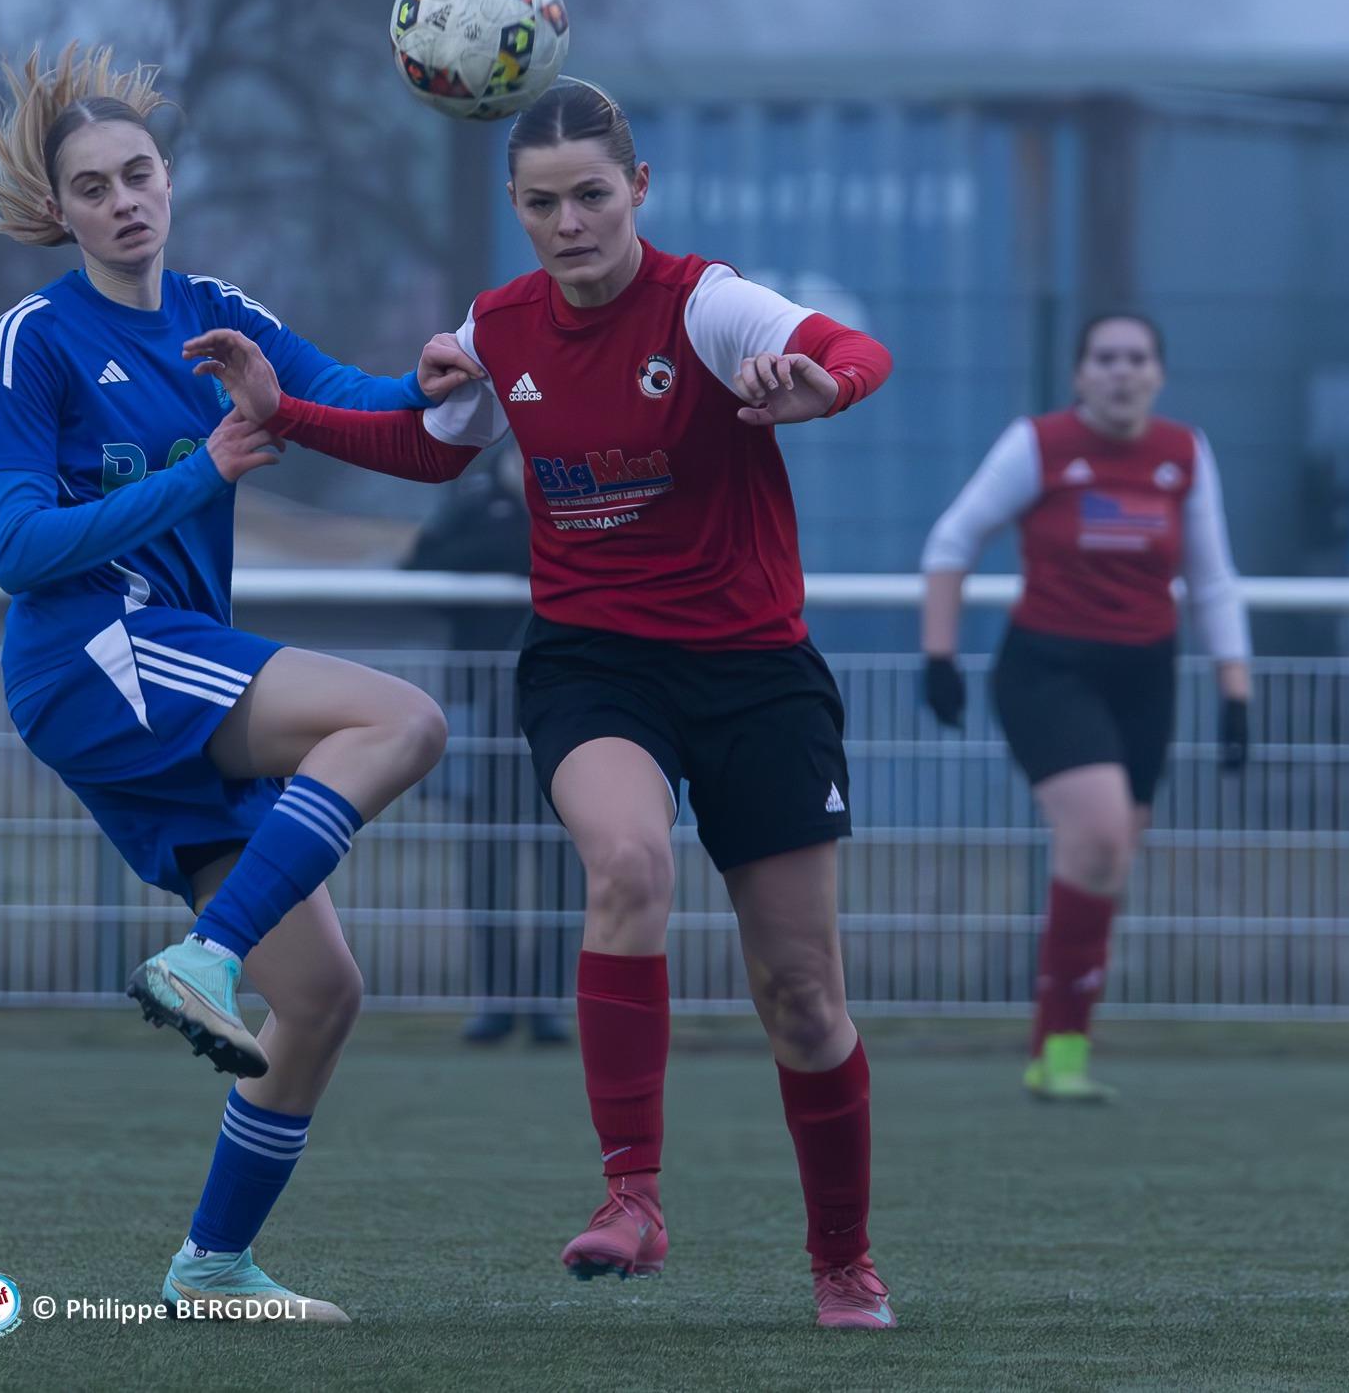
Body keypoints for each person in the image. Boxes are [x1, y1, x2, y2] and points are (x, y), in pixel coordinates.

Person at [182, 77, 901, 1330]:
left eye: (590, 195)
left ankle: (842, 1258)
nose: (567, 223)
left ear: (638, 189)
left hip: (752, 669)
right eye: (539, 203)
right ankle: (632, 1197)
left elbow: (856, 351)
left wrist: (820, 387)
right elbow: (430, 447)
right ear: (514, 206)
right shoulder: (500, 326)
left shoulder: (707, 305)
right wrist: (280, 411)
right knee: (625, 862)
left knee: (800, 992)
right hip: (592, 662)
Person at [0, 44, 475, 1320]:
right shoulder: (36, 337)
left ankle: (211, 1264)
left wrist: (436, 384)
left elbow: (348, 403)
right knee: (401, 717)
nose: (124, 199)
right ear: (59, 209)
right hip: (92, 655)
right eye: (94, 185)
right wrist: (201, 473)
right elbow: (18, 552)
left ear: (169, 180)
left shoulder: (217, 309)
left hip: (158, 668)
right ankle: (206, 955)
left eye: (139, 173)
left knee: (321, 996)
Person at [918, 313, 1252, 1102]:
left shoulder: (1183, 452)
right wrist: (939, 657)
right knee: (1097, 833)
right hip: (1048, 669)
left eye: (1136, 358)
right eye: (1105, 358)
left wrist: (1235, 692)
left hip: (1146, 676)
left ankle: (1061, 1049)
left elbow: (1212, 581)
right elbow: (951, 542)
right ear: (1079, 374)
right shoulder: (1038, 445)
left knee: (1108, 856)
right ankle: (1056, 1051)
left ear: (1158, 373)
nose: (1121, 372)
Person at [401, 445, 572, 1045]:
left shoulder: (587, 491)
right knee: (485, 853)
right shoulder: (473, 503)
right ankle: (496, 1001)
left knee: (565, 859)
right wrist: (519, 552)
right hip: (479, 707)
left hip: (570, 707)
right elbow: (420, 569)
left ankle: (550, 1004)